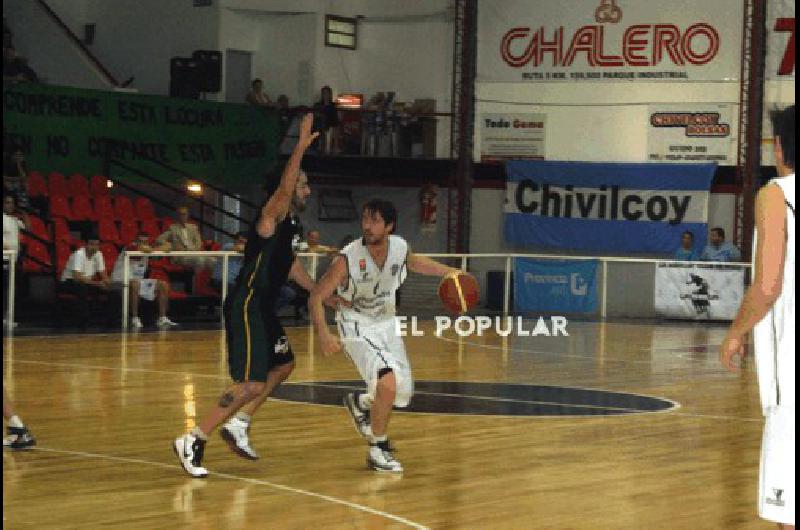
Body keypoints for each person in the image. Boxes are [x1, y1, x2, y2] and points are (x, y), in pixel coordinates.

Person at [173, 114, 345, 477]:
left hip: (264, 307)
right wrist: (299, 147)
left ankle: (239, 423)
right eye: (303, 185)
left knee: (283, 366)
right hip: (247, 303)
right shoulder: (271, 215)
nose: (307, 191)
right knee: (251, 382)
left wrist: (319, 292)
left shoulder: (292, 227)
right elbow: (283, 190)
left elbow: (291, 265)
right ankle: (194, 437)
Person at [309, 199, 477, 472]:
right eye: (365, 219)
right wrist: (324, 334)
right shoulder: (347, 258)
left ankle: (361, 402)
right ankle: (378, 448)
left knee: (402, 394)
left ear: (389, 226)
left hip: (386, 323)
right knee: (386, 381)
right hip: (355, 324)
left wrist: (450, 272)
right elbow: (316, 296)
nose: (367, 226)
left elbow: (415, 263)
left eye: (374, 221)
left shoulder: (399, 247)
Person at [720, 104, 795, 529]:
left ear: (781, 146)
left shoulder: (776, 195)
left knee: (790, 508)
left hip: (793, 364)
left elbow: (768, 285)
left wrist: (737, 331)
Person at [111, 233, 178, 329]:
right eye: (141, 241)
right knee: (135, 284)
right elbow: (145, 249)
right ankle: (134, 318)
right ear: (136, 241)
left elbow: (168, 247)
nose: (143, 243)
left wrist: (162, 246)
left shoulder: (148, 250)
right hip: (120, 281)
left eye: (145, 241)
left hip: (138, 281)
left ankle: (162, 318)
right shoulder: (130, 247)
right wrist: (157, 248)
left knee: (163, 285)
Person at [59, 238, 111, 325]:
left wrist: (107, 284)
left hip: (87, 281)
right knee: (82, 288)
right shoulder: (78, 254)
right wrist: (97, 283)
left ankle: (110, 319)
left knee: (112, 290)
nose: (94, 247)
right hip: (69, 282)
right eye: (91, 244)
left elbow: (103, 273)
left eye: (96, 245)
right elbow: (77, 277)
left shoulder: (98, 254)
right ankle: (83, 319)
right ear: (86, 245)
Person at [156, 205, 214, 273]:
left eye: (184, 214)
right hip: (180, 256)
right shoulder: (173, 228)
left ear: (187, 215)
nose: (183, 216)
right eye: (181, 214)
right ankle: (196, 282)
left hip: (194, 253)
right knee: (200, 260)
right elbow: (159, 239)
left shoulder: (193, 227)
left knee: (212, 261)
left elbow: (198, 243)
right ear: (178, 216)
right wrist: (169, 245)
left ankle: (213, 281)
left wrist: (192, 251)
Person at [3, 194, 28, 327]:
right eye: (7, 202)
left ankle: (8, 317)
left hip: (14, 259)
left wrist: (24, 214)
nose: (10, 205)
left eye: (12, 203)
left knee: (11, 289)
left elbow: (28, 229)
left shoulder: (14, 220)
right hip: (4, 258)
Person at [314, 85, 340, 154]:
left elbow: (335, 119)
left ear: (330, 94)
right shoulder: (318, 105)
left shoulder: (333, 106)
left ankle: (334, 147)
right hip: (320, 127)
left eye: (327, 93)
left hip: (331, 126)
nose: (325, 95)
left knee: (334, 129)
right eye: (324, 93)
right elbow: (315, 116)